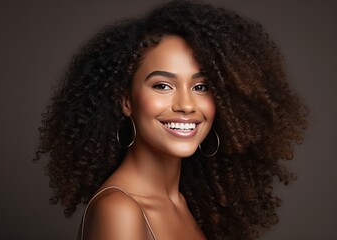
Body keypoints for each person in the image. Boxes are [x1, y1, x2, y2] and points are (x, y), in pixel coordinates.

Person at [34, 1, 308, 239]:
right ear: (126, 101)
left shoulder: (183, 201)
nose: (186, 105)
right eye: (163, 86)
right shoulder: (119, 210)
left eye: (201, 87)